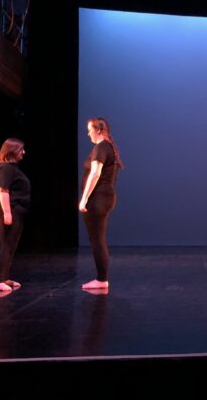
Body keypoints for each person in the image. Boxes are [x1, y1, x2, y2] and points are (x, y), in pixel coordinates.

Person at [79, 117, 123, 290]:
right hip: (104, 197)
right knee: (97, 238)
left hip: (98, 198)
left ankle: (101, 279)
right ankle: (101, 278)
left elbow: (95, 174)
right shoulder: (107, 147)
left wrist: (84, 198)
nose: (88, 133)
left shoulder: (101, 147)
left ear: (98, 130)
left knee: (97, 239)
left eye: (90, 129)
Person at [0, 138, 30, 292]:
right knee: (6, 245)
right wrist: (7, 213)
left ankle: (4, 277)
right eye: (21, 150)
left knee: (10, 245)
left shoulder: (13, 169)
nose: (24, 152)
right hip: (8, 210)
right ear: (12, 151)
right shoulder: (6, 168)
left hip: (16, 211)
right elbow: (3, 189)